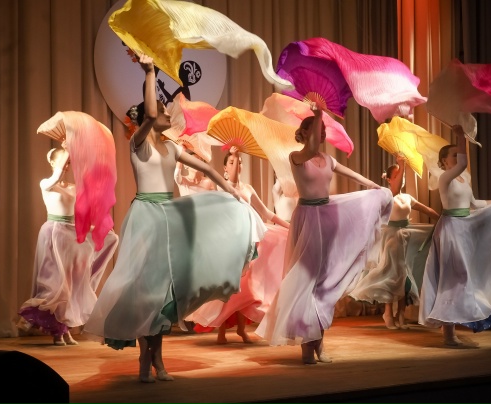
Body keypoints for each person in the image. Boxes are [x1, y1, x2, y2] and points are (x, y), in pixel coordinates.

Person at [83, 53, 254, 383]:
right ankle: (147, 359)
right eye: (163, 111)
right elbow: (150, 113)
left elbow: (207, 168)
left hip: (168, 217)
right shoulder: (138, 145)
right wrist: (149, 72)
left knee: (164, 294)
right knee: (145, 292)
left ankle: (156, 361)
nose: (166, 114)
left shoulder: (172, 148)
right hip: (146, 216)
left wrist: (231, 191)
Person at [255, 103, 393, 364]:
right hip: (308, 219)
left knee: (323, 284)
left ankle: (318, 344)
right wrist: (319, 114)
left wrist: (373, 186)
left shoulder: (329, 160)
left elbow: (352, 174)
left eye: (323, 131)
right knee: (307, 282)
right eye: (318, 130)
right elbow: (309, 150)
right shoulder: (297, 157)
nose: (322, 134)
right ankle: (308, 346)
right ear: (306, 133)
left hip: (327, 218)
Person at [419, 125, 491, 346]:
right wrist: (461, 137)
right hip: (450, 230)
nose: (458, 157)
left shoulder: (464, 178)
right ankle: (448, 335)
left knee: (460, 277)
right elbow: (463, 163)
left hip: (463, 230)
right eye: (454, 155)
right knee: (455, 278)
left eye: (457, 153)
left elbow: (474, 204)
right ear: (444, 161)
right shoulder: (444, 178)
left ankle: (451, 331)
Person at [18, 144, 119, 346]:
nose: (66, 165)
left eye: (69, 161)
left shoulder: (74, 187)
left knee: (72, 284)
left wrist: (99, 230)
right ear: (52, 161)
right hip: (53, 234)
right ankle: (57, 332)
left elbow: (83, 211)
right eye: (63, 160)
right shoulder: (47, 183)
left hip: (72, 235)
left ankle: (65, 330)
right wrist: (67, 149)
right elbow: (56, 176)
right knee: (57, 285)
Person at [188, 146, 289, 344]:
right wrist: (234, 154)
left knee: (245, 288)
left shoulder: (248, 188)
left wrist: (289, 226)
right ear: (225, 168)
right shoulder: (221, 186)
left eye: (240, 162)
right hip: (228, 241)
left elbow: (267, 213)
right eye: (232, 162)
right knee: (230, 287)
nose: (237, 165)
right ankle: (222, 331)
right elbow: (226, 190)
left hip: (248, 239)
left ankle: (241, 329)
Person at [350, 155, 439, 329]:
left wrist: (444, 219)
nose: (401, 177)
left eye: (402, 175)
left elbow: (427, 210)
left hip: (406, 237)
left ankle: (401, 315)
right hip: (391, 238)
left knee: (405, 277)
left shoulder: (407, 198)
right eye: (397, 175)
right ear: (389, 179)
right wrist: (402, 165)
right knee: (391, 275)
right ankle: (388, 312)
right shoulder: (385, 195)